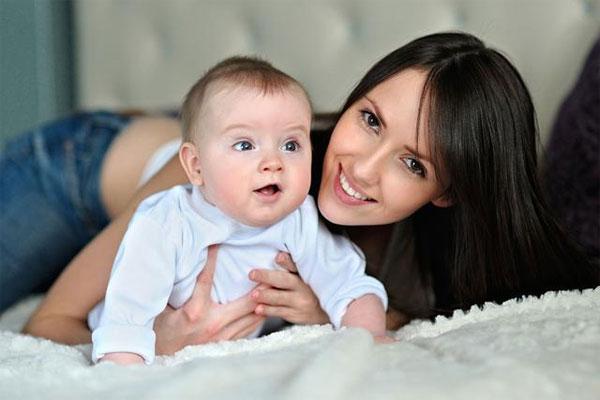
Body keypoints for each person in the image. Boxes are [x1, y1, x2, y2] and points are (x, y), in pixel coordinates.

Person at [1, 32, 596, 355]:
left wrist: (323, 314)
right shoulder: (237, 172)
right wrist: (156, 341)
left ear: (449, 192)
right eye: (368, 119)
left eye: (412, 163)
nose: (361, 169)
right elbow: (50, 321)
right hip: (81, 170)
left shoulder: (434, 273)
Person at [89, 56, 387, 365]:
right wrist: (126, 369)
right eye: (245, 145)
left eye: (290, 145)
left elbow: (351, 287)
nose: (273, 161)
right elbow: (125, 321)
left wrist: (368, 338)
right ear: (196, 166)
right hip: (92, 163)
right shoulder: (167, 223)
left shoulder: (299, 219)